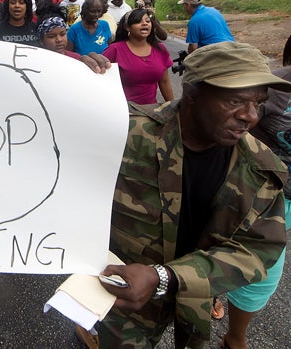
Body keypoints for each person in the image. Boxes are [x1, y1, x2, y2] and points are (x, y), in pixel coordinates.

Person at [88, 42, 291, 348]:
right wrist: (72, 78)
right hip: (123, 293)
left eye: (258, 103)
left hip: (196, 294)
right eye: (236, 101)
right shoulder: (126, 132)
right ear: (192, 93)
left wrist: (164, 277)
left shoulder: (260, 169)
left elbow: (258, 249)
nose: (250, 117)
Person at [221, 34, 291, 349]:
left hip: (287, 199)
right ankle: (234, 336)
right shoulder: (276, 87)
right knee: (223, 249)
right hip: (253, 190)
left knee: (264, 267)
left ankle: (234, 336)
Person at [103, 8, 173, 104]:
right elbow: (102, 80)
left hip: (151, 111)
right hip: (122, 109)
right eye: (138, 21)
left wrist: (174, 108)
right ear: (127, 27)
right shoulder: (115, 50)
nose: (145, 24)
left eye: (147, 21)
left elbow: (164, 82)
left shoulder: (160, 49)